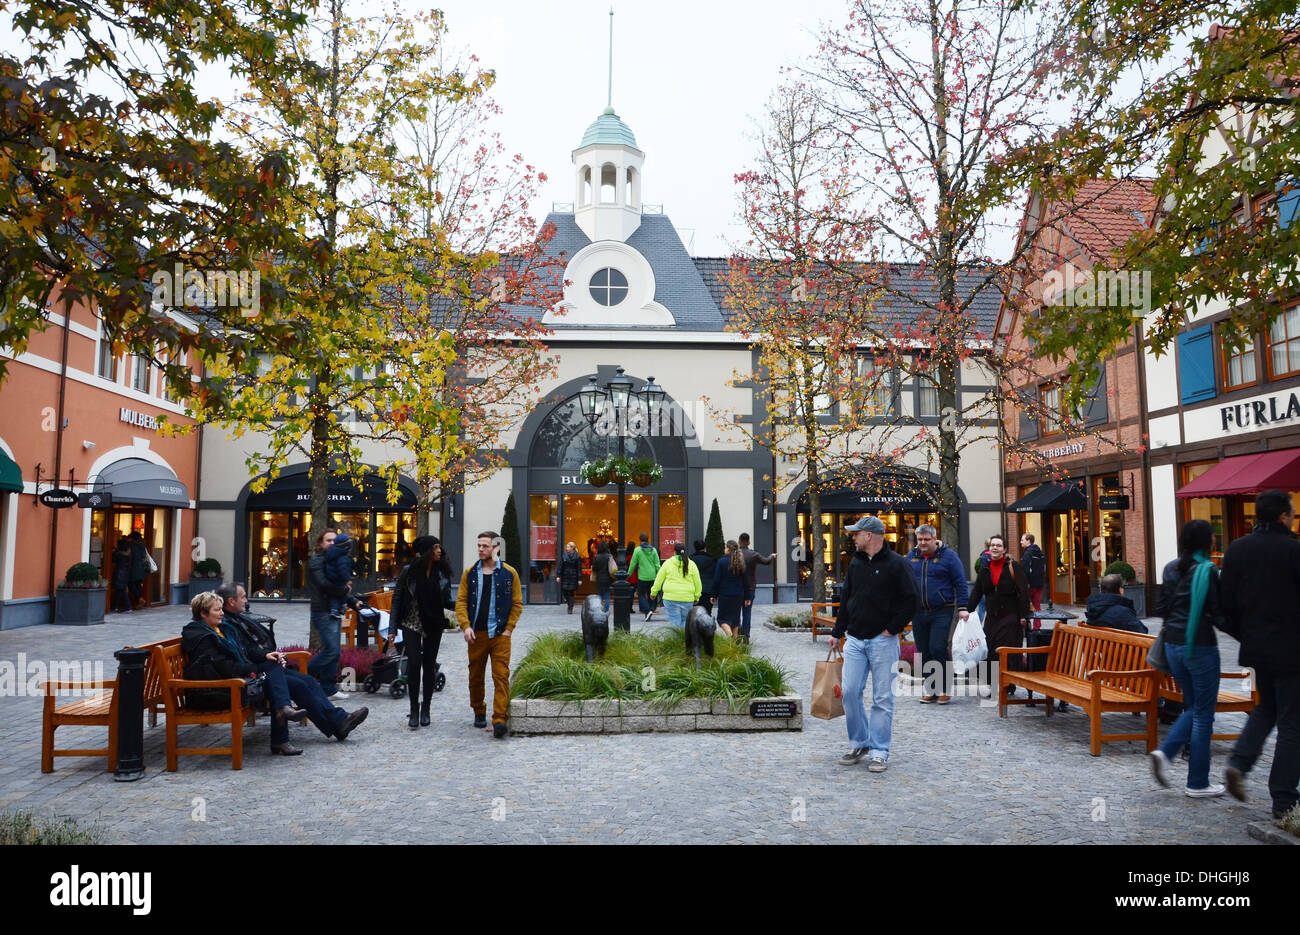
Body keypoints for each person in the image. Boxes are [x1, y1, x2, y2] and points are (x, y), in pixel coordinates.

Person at [212, 584, 368, 753]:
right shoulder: (226, 623)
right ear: (231, 601)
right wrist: (267, 658)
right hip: (250, 676)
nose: (246, 600)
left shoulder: (233, 618)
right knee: (297, 684)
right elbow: (240, 655)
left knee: (306, 680)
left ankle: (338, 723)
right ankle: (290, 735)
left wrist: (271, 655)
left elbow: (249, 649)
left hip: (260, 669)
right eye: (242, 597)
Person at [1221, 489, 1300, 817]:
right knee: (1293, 722)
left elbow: (1224, 606)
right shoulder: (1294, 551)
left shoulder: (1237, 550)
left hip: (1256, 647)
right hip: (1293, 649)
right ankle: (1283, 800)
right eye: (1292, 514)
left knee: (1267, 707)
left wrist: (1247, 634)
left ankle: (1239, 762)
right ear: (1283, 516)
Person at [830, 516, 919, 773]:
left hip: (883, 641)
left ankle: (879, 750)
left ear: (869, 536)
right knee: (849, 692)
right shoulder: (855, 563)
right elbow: (846, 598)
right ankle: (860, 743)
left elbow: (911, 601)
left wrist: (891, 629)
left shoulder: (897, 565)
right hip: (855, 640)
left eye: (856, 533)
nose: (853, 537)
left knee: (882, 698)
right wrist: (837, 631)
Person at [1148, 519, 1228, 798]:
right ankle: (1196, 782)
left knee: (1193, 707)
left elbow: (1161, 608)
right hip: (1200, 647)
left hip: (1173, 646)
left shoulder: (1170, 568)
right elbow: (1219, 615)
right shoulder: (1208, 571)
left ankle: (1165, 754)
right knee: (1204, 714)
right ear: (1207, 542)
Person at [455, 531, 523, 739]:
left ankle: (500, 719)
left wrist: (509, 628)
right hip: (477, 634)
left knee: (501, 676)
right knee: (475, 676)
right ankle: (478, 709)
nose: (481, 549)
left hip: (500, 634)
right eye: (479, 546)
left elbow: (517, 603)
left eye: (485, 546)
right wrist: (465, 626)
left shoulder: (509, 573)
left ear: (496, 548)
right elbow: (461, 602)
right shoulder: (470, 573)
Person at [391, 536, 456, 730]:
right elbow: (397, 599)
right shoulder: (409, 572)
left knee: (429, 666)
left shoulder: (443, 573)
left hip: (434, 623)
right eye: (435, 547)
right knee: (413, 663)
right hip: (411, 622)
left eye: (439, 546)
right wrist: (393, 628)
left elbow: (447, 602)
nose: (439, 551)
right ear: (427, 550)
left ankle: (426, 708)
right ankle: (414, 709)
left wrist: (463, 606)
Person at [906, 523, 968, 704]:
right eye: (920, 540)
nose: (923, 543)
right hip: (918, 612)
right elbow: (905, 581)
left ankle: (944, 689)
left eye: (926, 539)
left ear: (935, 539)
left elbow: (961, 583)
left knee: (937, 648)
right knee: (924, 651)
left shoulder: (949, 557)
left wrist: (962, 607)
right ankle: (930, 689)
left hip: (942, 610)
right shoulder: (912, 556)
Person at [962, 534, 1029, 696]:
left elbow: (1023, 592)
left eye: (998, 545)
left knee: (1007, 651)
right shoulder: (985, 569)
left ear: (1004, 549)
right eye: (992, 545)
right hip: (992, 617)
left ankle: (1008, 684)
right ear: (988, 548)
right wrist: (966, 610)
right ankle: (992, 684)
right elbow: (977, 592)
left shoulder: (1014, 567)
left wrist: (1023, 615)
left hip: (1010, 616)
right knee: (990, 649)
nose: (995, 548)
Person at [307, 529, 349, 696]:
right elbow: (324, 584)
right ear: (320, 543)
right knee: (332, 651)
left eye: (334, 540)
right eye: (328, 540)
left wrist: (354, 601)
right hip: (322, 611)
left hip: (334, 610)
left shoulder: (334, 560)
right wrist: (345, 590)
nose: (332, 543)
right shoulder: (317, 561)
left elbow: (340, 585)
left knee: (333, 651)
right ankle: (303, 675)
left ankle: (328, 688)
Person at [650, 542, 702, 629]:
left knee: (675, 622)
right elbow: (697, 582)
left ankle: (677, 640)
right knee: (685, 621)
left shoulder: (668, 563)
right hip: (687, 597)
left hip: (670, 598)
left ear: (674, 552)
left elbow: (659, 579)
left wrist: (654, 592)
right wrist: (697, 596)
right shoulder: (692, 564)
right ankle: (684, 641)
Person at [737, 533, 776, 640]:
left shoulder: (735, 554)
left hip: (737, 587)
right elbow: (766, 561)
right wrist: (771, 556)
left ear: (739, 542)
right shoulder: (753, 554)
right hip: (750, 587)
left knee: (736, 612)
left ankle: (738, 632)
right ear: (749, 542)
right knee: (747, 612)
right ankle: (746, 636)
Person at [711, 540, 752, 638]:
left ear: (728, 549)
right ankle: (734, 644)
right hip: (738, 595)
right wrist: (748, 597)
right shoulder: (741, 562)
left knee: (722, 619)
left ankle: (730, 638)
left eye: (725, 547)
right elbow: (746, 581)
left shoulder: (722, 562)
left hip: (725, 594)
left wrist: (714, 595)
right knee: (735, 620)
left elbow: (717, 580)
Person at [628, 534, 662, 622]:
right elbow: (657, 564)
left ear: (640, 540)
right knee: (651, 594)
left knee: (641, 595)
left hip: (642, 577)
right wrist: (660, 575)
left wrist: (628, 575)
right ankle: (649, 611)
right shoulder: (653, 550)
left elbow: (632, 564)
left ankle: (647, 611)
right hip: (653, 576)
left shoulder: (637, 550)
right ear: (648, 539)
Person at [323, 531, 355, 618]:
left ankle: (335, 609)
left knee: (334, 597)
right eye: (328, 540)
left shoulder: (330, 554)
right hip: (338, 580)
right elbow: (343, 569)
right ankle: (342, 606)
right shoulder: (343, 557)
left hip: (332, 578)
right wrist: (347, 579)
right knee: (343, 593)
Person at [1020, 533, 1046, 612]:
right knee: (1037, 606)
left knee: (1023, 605)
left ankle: (1026, 623)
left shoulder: (1028, 553)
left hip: (1030, 584)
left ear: (1028, 541)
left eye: (1022, 540)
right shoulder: (1040, 552)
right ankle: (1037, 624)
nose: (1020, 542)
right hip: (1039, 583)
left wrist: (1024, 583)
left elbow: (1025, 569)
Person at [690, 540, 717, 611]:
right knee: (707, 612)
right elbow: (715, 576)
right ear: (705, 548)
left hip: (694, 589)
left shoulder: (690, 560)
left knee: (695, 613)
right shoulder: (712, 560)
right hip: (708, 590)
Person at [557, 542, 583, 614]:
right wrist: (558, 575)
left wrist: (580, 579)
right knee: (564, 591)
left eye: (568, 547)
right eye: (567, 547)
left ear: (572, 548)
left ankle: (570, 608)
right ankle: (569, 603)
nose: (567, 548)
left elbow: (579, 568)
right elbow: (560, 566)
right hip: (565, 575)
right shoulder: (564, 556)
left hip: (573, 576)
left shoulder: (577, 557)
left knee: (571, 592)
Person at [126, 531, 149, 609]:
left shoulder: (132, 545)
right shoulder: (142, 545)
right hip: (142, 569)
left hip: (134, 568)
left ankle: (140, 599)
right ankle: (139, 602)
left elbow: (129, 557)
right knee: (138, 585)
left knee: (130, 583)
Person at [591, 541, 615, 612]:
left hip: (599, 578)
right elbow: (612, 568)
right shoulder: (609, 556)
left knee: (600, 595)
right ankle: (606, 610)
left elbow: (594, 569)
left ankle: (600, 610)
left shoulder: (596, 557)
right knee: (607, 595)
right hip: (608, 578)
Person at [110, 539, 132, 613]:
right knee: (119, 591)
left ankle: (128, 607)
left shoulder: (118, 554)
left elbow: (112, 560)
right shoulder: (128, 555)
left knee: (121, 590)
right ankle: (115, 606)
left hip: (119, 573)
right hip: (126, 573)